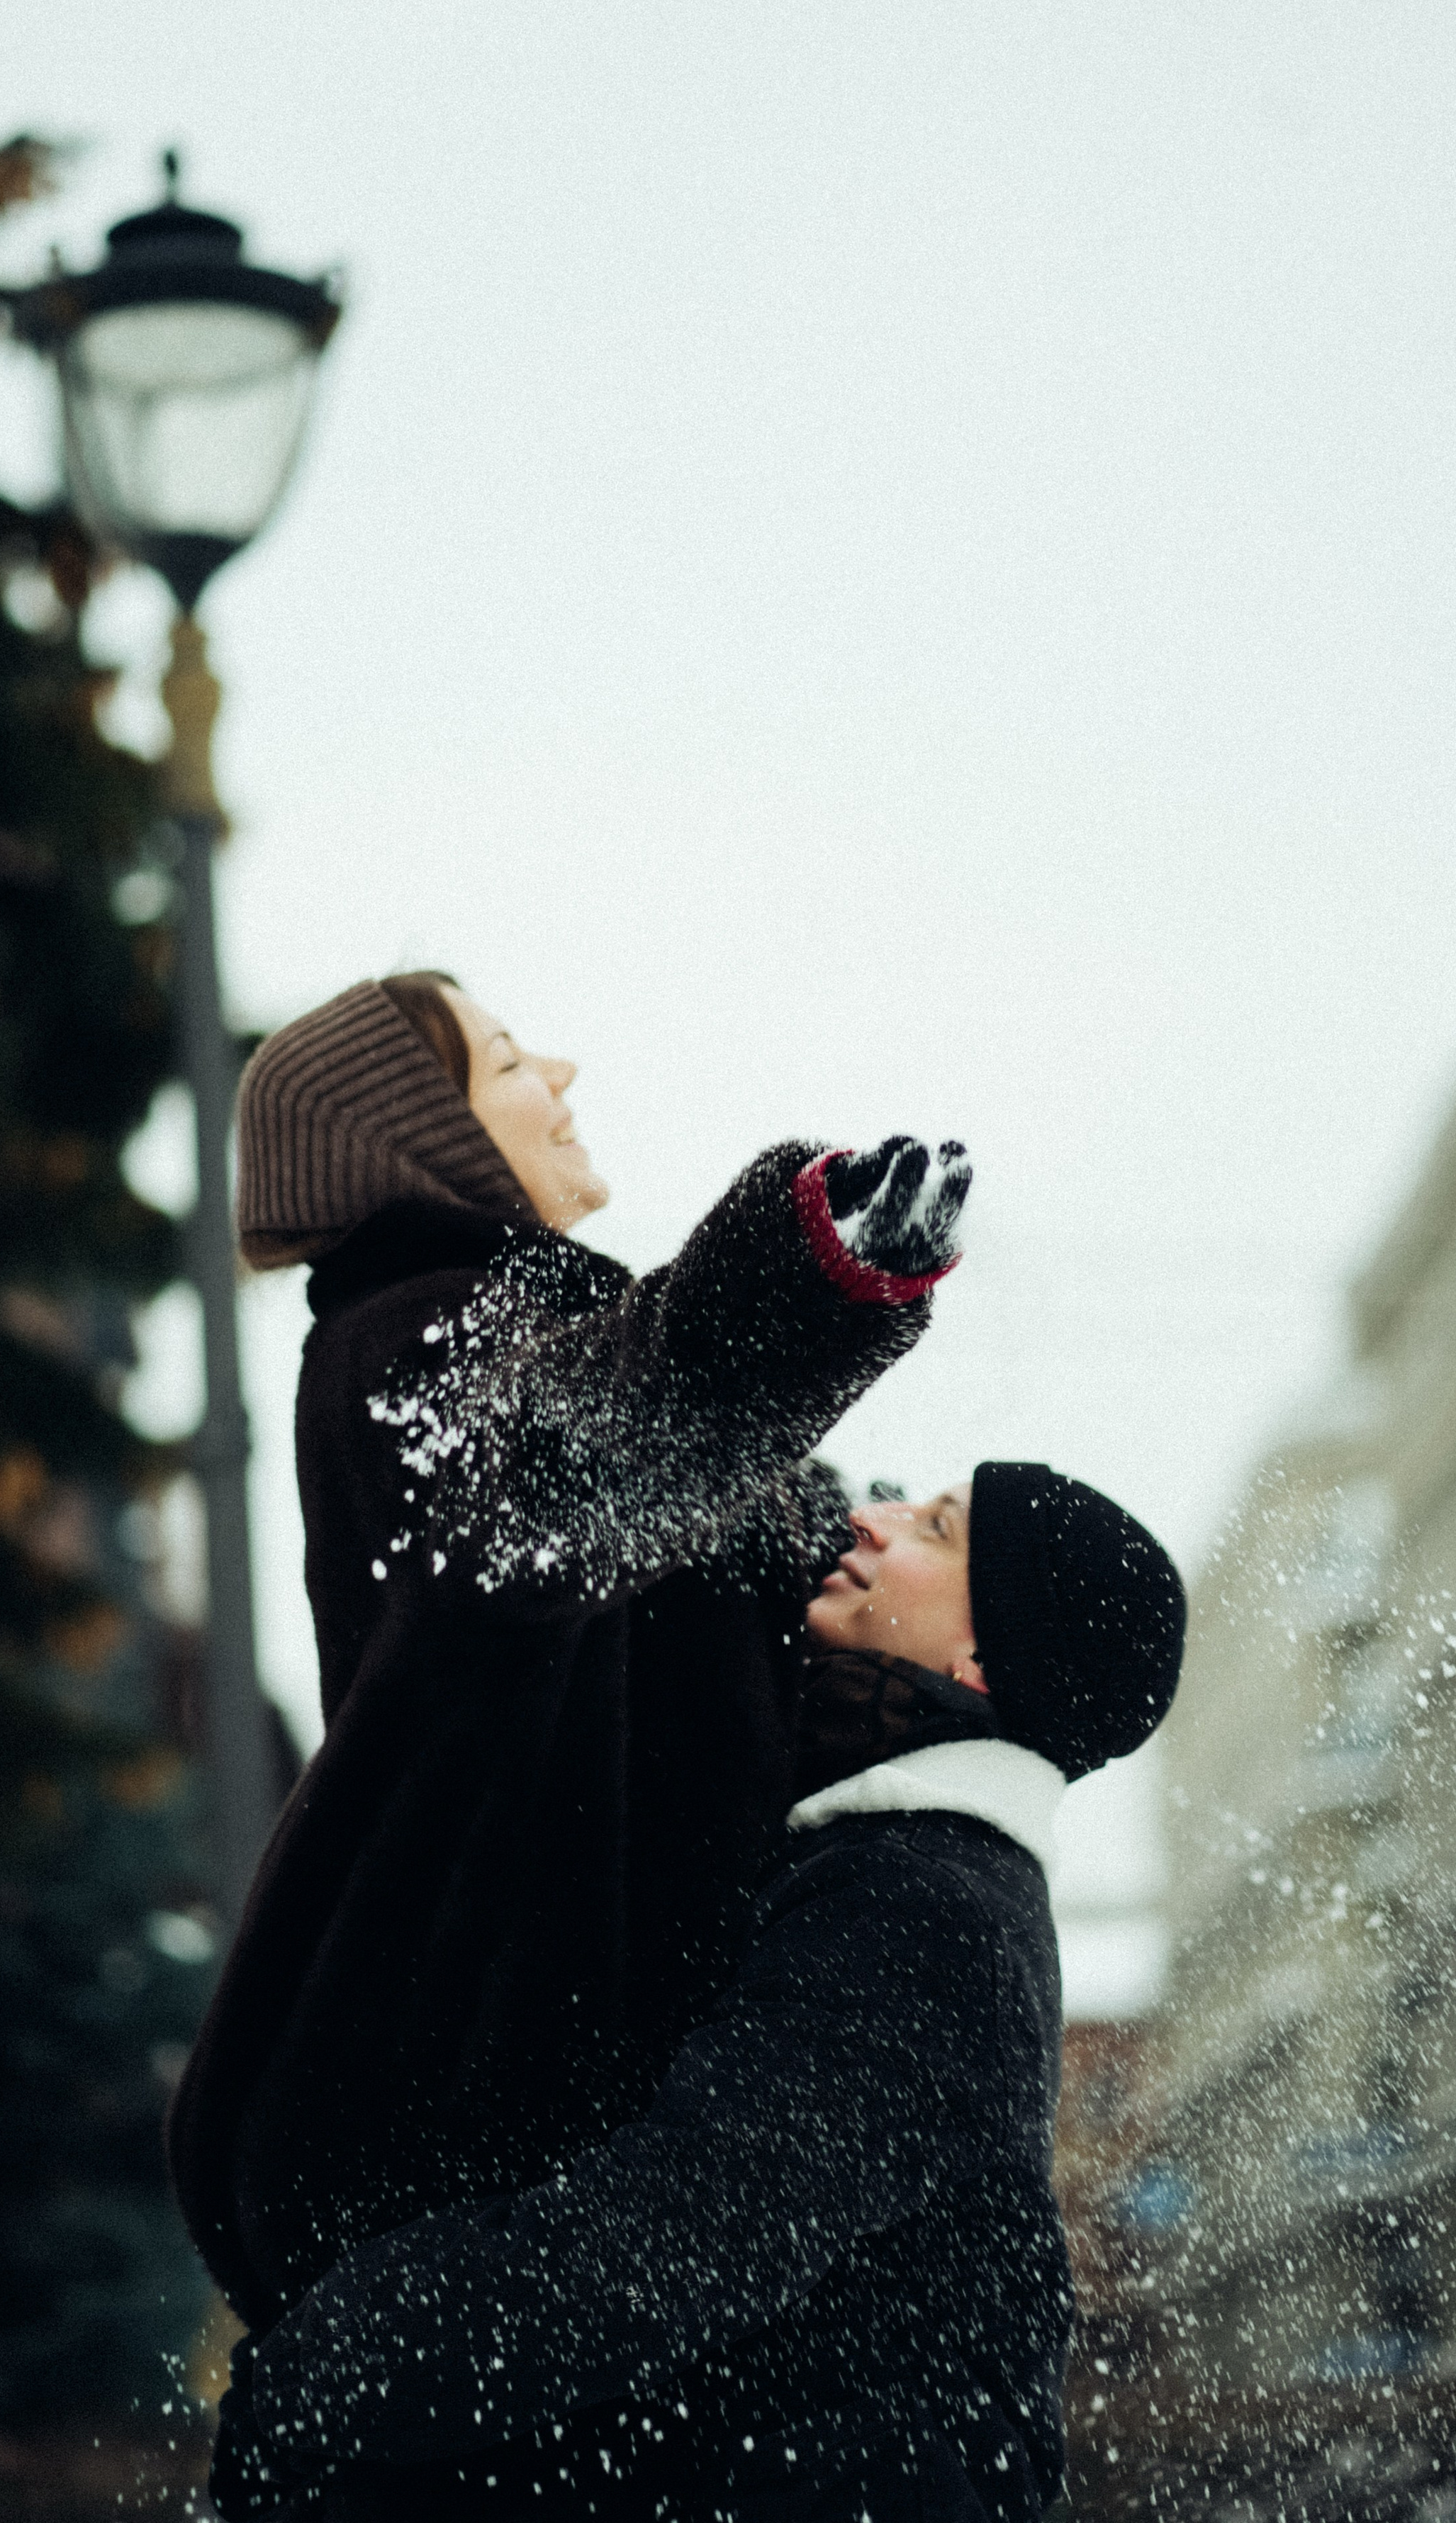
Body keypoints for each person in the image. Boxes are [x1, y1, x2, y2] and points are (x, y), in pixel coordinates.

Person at [166, 971, 974, 2445]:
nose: (562, 1067)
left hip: (566, 2105)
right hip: (525, 2104)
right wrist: (805, 1282)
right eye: (504, 1057)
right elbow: (550, 1497)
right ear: (416, 1132)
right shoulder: (424, 1334)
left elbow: (736, 1598)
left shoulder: (520, 1333)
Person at [205, 1461, 1185, 2523]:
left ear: (983, 1659)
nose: (870, 1520)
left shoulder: (933, 1911)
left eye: (934, 1530)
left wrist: (346, 2359)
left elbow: (685, 2233)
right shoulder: (873, 1853)